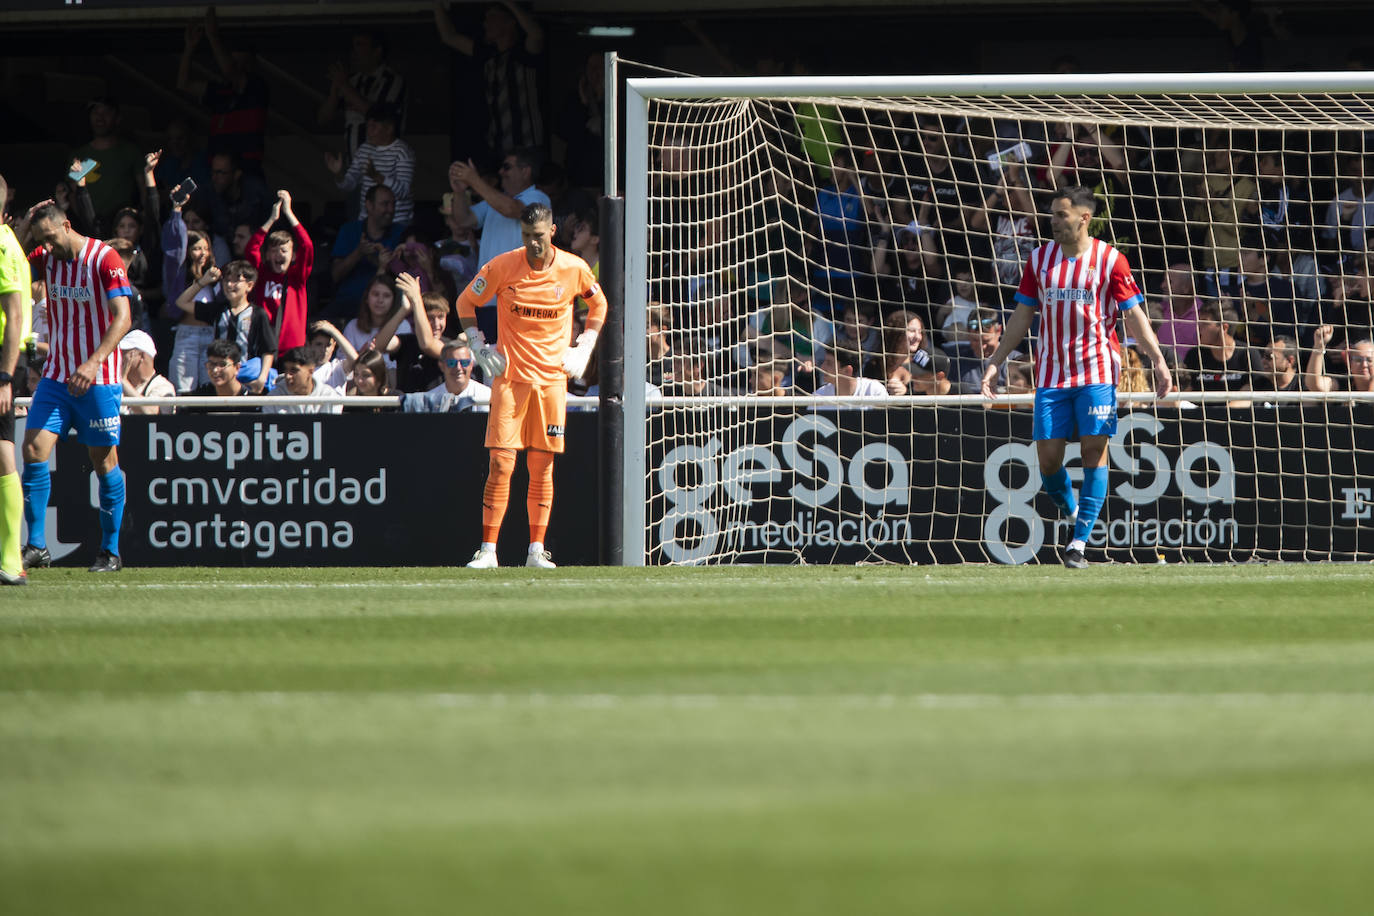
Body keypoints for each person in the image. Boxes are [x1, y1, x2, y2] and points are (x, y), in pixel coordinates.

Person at [980, 186, 1172, 569]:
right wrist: (996, 361)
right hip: (1051, 373)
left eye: (1060, 215)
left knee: (1092, 451)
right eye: (1052, 214)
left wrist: (1158, 360)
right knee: (1048, 460)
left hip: (1098, 371)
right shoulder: (1038, 260)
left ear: (1084, 218)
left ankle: (1078, 545)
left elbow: (1134, 315)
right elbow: (1022, 316)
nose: (1053, 221)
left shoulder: (1110, 260)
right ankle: (1075, 519)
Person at [455, 202, 606, 569]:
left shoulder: (574, 268)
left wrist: (584, 346)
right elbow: (466, 301)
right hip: (511, 380)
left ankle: (536, 551)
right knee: (502, 464)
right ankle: (488, 550)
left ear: (552, 231)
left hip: (552, 382)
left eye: (538, 237)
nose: (532, 244)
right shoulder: (504, 265)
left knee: (542, 467)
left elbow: (599, 305)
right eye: (526, 237)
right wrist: (477, 343)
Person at [21, 201, 134, 573]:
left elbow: (123, 318)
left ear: (66, 225)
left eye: (50, 238)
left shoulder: (106, 259)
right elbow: (13, 256)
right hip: (56, 374)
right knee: (34, 449)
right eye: (42, 241)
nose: (46, 248)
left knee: (103, 462)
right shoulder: (46, 255)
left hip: (97, 379)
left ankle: (110, 550)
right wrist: (25, 225)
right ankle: (37, 546)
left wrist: (94, 360)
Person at [447, 148, 551, 341]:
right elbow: (464, 220)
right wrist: (460, 192)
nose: (501, 172)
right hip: (487, 297)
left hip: (518, 300)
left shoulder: (538, 197)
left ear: (525, 171)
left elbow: (512, 209)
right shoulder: (494, 201)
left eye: (507, 167)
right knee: (487, 363)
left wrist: (474, 180)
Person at [433, 0, 546, 162]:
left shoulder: (524, 53)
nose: (486, 23)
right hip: (497, 145)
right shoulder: (487, 54)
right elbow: (449, 37)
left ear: (510, 22)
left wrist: (509, 4)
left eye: (492, 17)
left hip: (527, 146)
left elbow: (537, 34)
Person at [183, 259, 276, 393]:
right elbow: (182, 302)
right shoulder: (218, 310)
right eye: (226, 280)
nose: (229, 284)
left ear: (249, 286)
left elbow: (268, 349)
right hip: (219, 375)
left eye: (236, 281)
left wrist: (262, 378)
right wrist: (203, 282)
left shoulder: (258, 314)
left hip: (246, 377)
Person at [318, 28, 408, 164]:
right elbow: (323, 118)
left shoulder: (392, 80)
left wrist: (344, 86)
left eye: (360, 45)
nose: (354, 52)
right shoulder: (353, 81)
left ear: (377, 51)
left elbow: (377, 115)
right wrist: (334, 90)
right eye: (353, 46)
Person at [0, 177, 29, 585]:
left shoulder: (2, 246)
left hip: (2, 360)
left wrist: (5, 376)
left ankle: (10, 561)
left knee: (3, 452)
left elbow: (17, 314)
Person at [326, 102, 415, 227]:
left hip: (396, 223)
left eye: (373, 126)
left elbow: (404, 192)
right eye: (367, 126)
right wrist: (339, 174)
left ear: (389, 128)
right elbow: (349, 185)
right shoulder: (365, 149)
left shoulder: (402, 152)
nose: (368, 131)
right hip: (367, 224)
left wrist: (378, 177)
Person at [246, 189, 313, 351]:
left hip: (291, 348)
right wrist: (271, 220)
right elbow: (251, 250)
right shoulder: (261, 275)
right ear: (267, 255)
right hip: (263, 346)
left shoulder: (298, 278)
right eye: (274, 251)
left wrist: (288, 213)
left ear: (294, 255)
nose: (279, 255)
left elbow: (307, 246)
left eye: (284, 251)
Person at [328, 183, 406, 319]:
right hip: (348, 304)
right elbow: (336, 275)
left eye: (393, 204)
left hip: (385, 307)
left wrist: (380, 262)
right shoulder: (349, 230)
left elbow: (404, 277)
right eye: (385, 204)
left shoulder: (400, 233)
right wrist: (358, 252)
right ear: (369, 205)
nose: (391, 209)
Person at [70, 96, 143, 233]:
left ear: (117, 118)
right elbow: (73, 194)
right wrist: (87, 223)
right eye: (96, 113)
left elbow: (144, 189)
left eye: (106, 113)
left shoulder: (130, 152)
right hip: (91, 228)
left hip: (123, 229)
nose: (100, 118)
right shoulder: (80, 155)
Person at [1184, 299, 1261, 394]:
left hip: (1237, 408)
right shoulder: (1194, 355)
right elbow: (1185, 392)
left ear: (1224, 328)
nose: (1198, 328)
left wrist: (1226, 409)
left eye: (1204, 323)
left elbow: (1253, 394)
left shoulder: (1248, 354)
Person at [399, 340, 492, 412]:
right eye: (452, 363)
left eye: (464, 362)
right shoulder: (430, 399)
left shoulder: (487, 395)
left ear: (471, 365)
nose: (458, 367)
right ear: (442, 366)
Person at [265, 345, 343, 414]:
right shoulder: (273, 398)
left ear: (311, 371)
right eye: (285, 370)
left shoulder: (330, 397)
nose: (288, 376)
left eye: (294, 370)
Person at [1305, 324, 1374, 395]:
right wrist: (1319, 346)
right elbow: (1314, 385)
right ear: (1350, 364)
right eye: (1358, 360)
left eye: (1369, 360)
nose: (1364, 365)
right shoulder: (1345, 383)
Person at [118, 330, 176, 415]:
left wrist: (123, 382)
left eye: (123, 352)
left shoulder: (162, 386)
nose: (119, 357)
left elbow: (151, 414)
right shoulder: (115, 384)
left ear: (141, 356)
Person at [813, 346, 888, 399]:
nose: (822, 367)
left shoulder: (873, 391)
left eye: (829, 363)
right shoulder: (819, 395)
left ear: (847, 371)